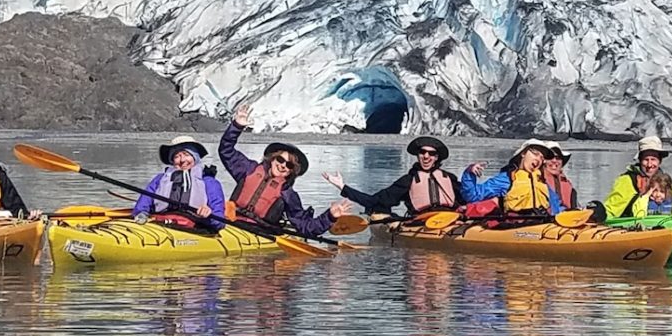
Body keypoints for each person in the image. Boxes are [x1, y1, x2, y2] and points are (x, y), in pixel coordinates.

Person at [217, 106, 344, 237]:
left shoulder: (287, 193)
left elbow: (305, 227)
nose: (283, 165)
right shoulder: (250, 169)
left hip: (260, 232)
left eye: (289, 165)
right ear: (272, 159)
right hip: (231, 223)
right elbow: (226, 150)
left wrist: (329, 217)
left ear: (291, 171)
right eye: (280, 160)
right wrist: (236, 126)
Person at [358, 134, 461, 218]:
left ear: (436, 157)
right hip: (421, 219)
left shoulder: (449, 178)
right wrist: (345, 188)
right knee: (378, 206)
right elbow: (378, 199)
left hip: (450, 217)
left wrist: (470, 173)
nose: (426, 156)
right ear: (418, 155)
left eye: (431, 153)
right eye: (422, 152)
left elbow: (469, 196)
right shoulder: (408, 180)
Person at [460, 140, 561, 221]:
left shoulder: (541, 181)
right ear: (523, 153)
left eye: (542, 157)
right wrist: (469, 174)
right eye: (535, 153)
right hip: (515, 225)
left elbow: (557, 208)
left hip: (541, 223)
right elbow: (473, 195)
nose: (538, 159)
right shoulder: (507, 178)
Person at [603, 133, 672, 220]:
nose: (649, 164)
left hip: (664, 226)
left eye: (653, 159)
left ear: (660, 161)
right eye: (646, 160)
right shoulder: (627, 180)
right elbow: (611, 209)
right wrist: (600, 214)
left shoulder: (664, 181)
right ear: (640, 160)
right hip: (632, 228)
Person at [135, 136, 226, 223]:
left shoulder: (209, 182)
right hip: (162, 224)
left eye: (186, 154)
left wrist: (208, 215)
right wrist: (141, 215)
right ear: (172, 161)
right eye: (177, 156)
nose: (182, 160)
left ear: (195, 157)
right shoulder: (159, 180)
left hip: (195, 227)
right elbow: (142, 206)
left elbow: (219, 221)